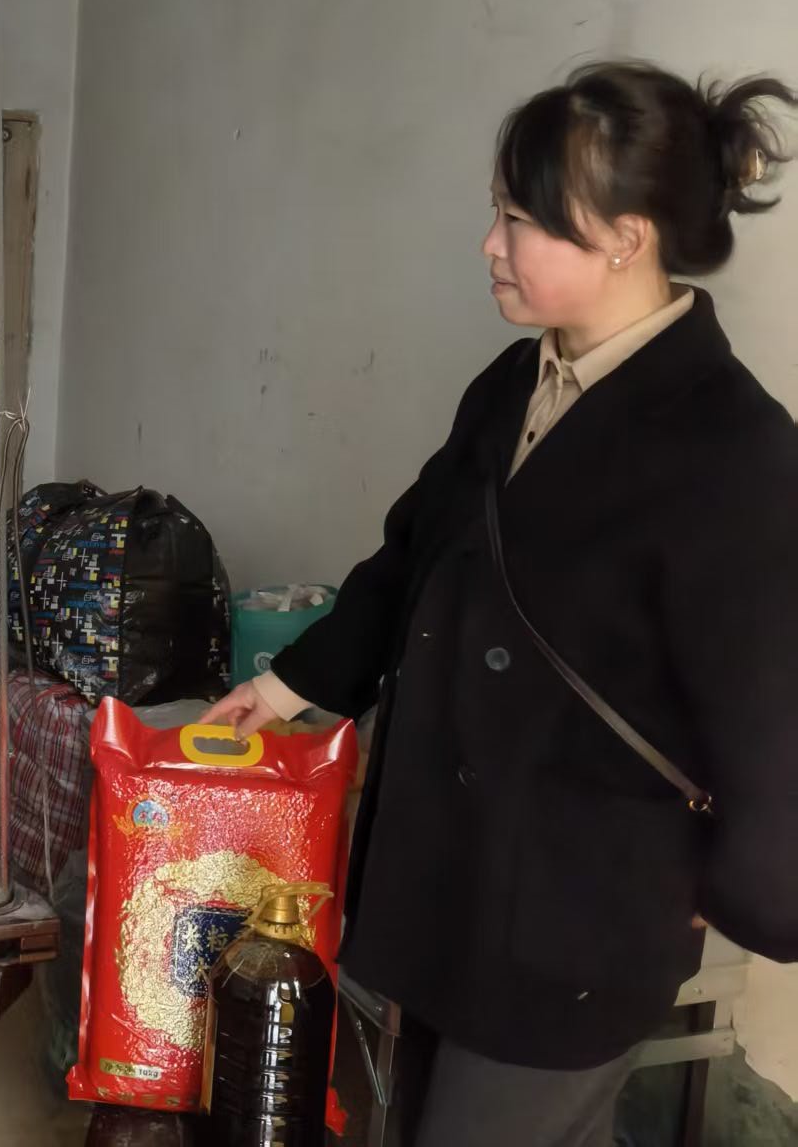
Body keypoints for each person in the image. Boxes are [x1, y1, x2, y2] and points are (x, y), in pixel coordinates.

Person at [201, 62, 798, 1146]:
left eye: (519, 219)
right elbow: (412, 561)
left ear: (624, 237)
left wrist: (738, 887)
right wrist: (285, 687)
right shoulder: (512, 385)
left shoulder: (735, 448)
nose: (488, 244)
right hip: (453, 878)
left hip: (578, 919)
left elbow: (772, 707)